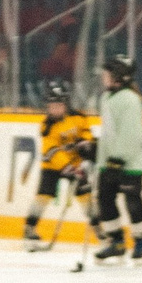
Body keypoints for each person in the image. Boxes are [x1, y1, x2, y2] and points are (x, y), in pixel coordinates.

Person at [91, 56, 142, 265]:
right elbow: (110, 132)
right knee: (105, 200)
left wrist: (119, 158)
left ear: (118, 77)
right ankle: (116, 242)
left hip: (130, 164)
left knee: (132, 201)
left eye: (107, 74)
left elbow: (130, 134)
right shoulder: (106, 98)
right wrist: (96, 151)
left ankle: (140, 242)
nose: (104, 78)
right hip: (109, 162)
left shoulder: (131, 100)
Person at [24, 81, 95, 251]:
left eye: (58, 105)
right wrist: (68, 167)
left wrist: (86, 144)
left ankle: (99, 230)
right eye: (51, 106)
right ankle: (30, 228)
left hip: (77, 164)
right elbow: (51, 151)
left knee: (86, 198)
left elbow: (86, 133)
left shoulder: (79, 117)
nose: (54, 109)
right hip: (52, 166)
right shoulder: (47, 126)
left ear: (66, 104)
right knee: (43, 196)